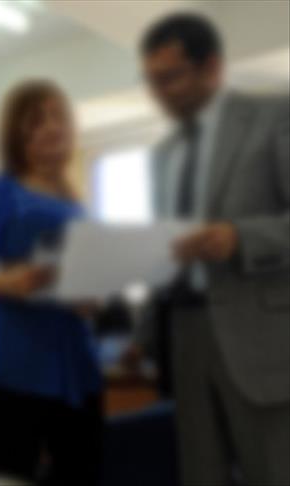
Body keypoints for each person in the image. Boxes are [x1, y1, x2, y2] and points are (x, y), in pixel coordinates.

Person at [124, 13, 290, 486]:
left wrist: (240, 237)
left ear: (212, 67)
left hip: (259, 338)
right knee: (201, 473)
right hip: (184, 336)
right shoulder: (161, 155)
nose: (159, 93)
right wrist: (143, 334)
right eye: (151, 81)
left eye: (170, 77)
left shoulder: (274, 116)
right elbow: (166, 254)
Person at [0, 80, 103, 485]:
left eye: (59, 117)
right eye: (37, 120)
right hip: (15, 365)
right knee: (11, 476)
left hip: (77, 366)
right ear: (16, 133)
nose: (52, 127)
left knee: (82, 474)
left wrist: (93, 296)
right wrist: (4, 283)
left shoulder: (78, 204)